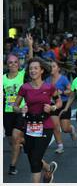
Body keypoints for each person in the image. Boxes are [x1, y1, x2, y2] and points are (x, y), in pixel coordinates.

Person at [13, 57, 62, 183]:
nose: (32, 71)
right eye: (30, 69)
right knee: (31, 156)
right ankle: (48, 168)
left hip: (45, 126)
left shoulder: (49, 87)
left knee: (34, 162)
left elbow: (59, 101)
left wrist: (52, 107)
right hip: (29, 126)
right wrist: (20, 110)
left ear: (41, 71)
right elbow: (14, 106)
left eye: (36, 68)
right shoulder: (24, 88)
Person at [3, 34, 33, 175]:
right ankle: (26, 143)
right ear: (6, 65)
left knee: (15, 137)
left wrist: (30, 46)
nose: (13, 65)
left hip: (21, 111)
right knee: (12, 141)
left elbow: (31, 61)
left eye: (16, 62)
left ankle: (12, 166)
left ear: (19, 64)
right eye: (10, 63)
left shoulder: (22, 75)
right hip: (8, 112)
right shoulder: (3, 79)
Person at [46, 60, 77, 154]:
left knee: (65, 128)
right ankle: (60, 146)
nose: (51, 68)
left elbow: (71, 91)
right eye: (50, 66)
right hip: (53, 104)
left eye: (54, 66)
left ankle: (71, 129)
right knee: (55, 125)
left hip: (64, 104)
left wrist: (62, 92)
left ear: (58, 69)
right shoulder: (47, 79)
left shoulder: (63, 79)